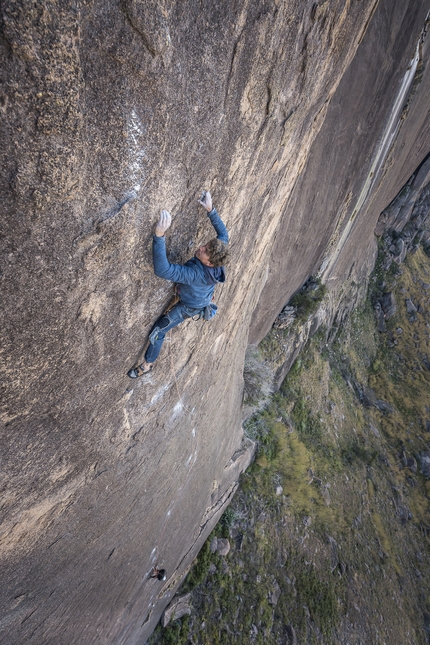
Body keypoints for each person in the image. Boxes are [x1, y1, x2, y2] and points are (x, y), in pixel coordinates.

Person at [127, 191, 229, 378]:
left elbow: (163, 270)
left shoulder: (194, 274)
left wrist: (159, 235)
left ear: (210, 263)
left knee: (159, 331)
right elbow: (223, 234)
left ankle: (147, 365)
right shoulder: (219, 252)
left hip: (190, 306)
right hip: (199, 295)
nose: (201, 247)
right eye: (205, 245)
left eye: (205, 251)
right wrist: (210, 209)